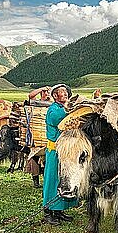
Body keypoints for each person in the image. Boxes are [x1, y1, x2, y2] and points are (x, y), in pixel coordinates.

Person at [43, 83, 77, 225]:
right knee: (52, 180)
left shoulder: (62, 108)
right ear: (55, 96)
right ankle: (48, 212)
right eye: (62, 92)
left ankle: (59, 211)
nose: (66, 94)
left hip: (64, 150)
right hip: (54, 151)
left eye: (66, 92)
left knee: (62, 179)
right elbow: (63, 118)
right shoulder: (54, 110)